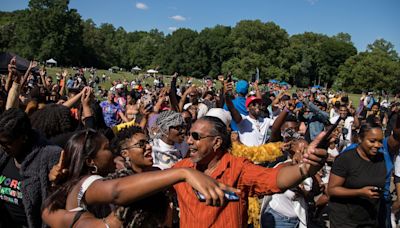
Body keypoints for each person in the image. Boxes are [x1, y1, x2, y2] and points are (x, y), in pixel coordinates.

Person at [42, 129, 237, 228]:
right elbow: (117, 191)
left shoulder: (67, 195)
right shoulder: (87, 184)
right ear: (91, 161)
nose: (113, 153)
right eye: (107, 149)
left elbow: (48, 213)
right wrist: (184, 173)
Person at [173, 115, 328, 228]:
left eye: (196, 136)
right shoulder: (181, 168)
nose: (188, 141)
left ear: (217, 142)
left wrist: (305, 169)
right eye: (188, 135)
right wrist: (184, 174)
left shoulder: (237, 168)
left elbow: (274, 179)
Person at [328, 121, 400, 227]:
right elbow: (332, 189)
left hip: (369, 218)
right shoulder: (346, 159)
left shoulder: (381, 159)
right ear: (360, 139)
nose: (377, 145)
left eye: (380, 141)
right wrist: (360, 192)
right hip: (345, 219)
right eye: (372, 141)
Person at [0, 108, 62, 228]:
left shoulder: (49, 157)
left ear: (23, 138)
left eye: (6, 143)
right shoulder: (4, 155)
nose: (3, 147)